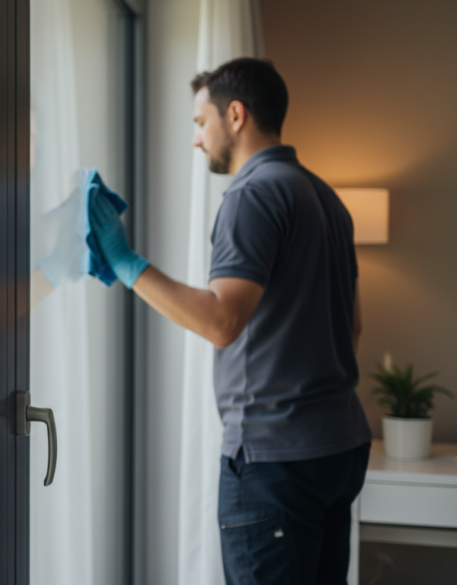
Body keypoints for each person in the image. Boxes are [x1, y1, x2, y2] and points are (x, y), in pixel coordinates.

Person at [90, 58, 372, 584]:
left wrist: (126, 262)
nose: (198, 140)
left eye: (201, 123)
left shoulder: (253, 194)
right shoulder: (327, 198)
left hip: (276, 459)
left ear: (235, 115)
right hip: (338, 448)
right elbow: (351, 327)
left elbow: (222, 321)